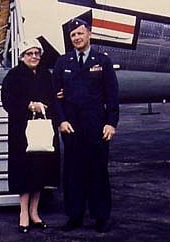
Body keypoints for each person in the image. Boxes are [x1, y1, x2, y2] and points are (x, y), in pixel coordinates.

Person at [53, 15, 119, 233]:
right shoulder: (63, 62)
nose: (77, 37)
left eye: (80, 33)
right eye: (73, 35)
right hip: (71, 127)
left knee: (98, 171)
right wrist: (61, 120)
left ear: (89, 34)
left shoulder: (102, 61)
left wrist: (111, 123)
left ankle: (101, 217)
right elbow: (55, 96)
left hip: (96, 126)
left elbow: (112, 95)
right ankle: (74, 216)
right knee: (73, 172)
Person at [1, 38, 60, 233]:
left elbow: (53, 97)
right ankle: (23, 213)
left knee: (40, 171)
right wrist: (28, 104)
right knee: (24, 172)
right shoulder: (13, 76)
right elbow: (7, 101)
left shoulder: (46, 75)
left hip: (42, 131)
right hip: (21, 132)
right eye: (29, 54)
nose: (34, 57)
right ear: (22, 56)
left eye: (37, 53)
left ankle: (35, 212)